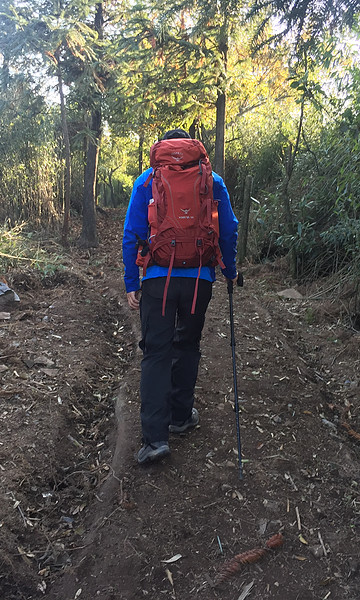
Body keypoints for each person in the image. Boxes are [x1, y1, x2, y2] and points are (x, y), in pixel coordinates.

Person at [122, 128, 238, 464]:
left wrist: (133, 281)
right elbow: (228, 229)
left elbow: (132, 233)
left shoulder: (147, 180)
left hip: (158, 278)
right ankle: (181, 416)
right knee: (187, 345)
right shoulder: (212, 179)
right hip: (199, 278)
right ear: (192, 148)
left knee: (156, 353)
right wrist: (229, 271)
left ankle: (154, 439)